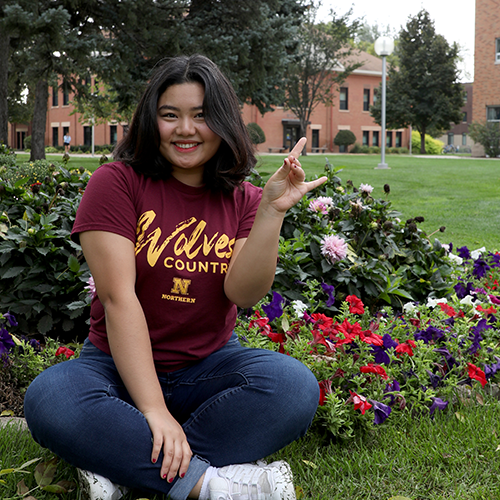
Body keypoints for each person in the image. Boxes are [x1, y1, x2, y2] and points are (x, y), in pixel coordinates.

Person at [24, 54, 326, 500]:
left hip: (209, 367)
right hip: (114, 369)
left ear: (222, 122)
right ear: (152, 121)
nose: (185, 130)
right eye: (170, 115)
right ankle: (209, 484)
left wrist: (270, 212)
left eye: (201, 116)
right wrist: (152, 409)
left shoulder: (241, 198)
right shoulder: (117, 182)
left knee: (293, 388)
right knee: (53, 398)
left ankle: (124, 463)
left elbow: (242, 293)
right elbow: (117, 298)